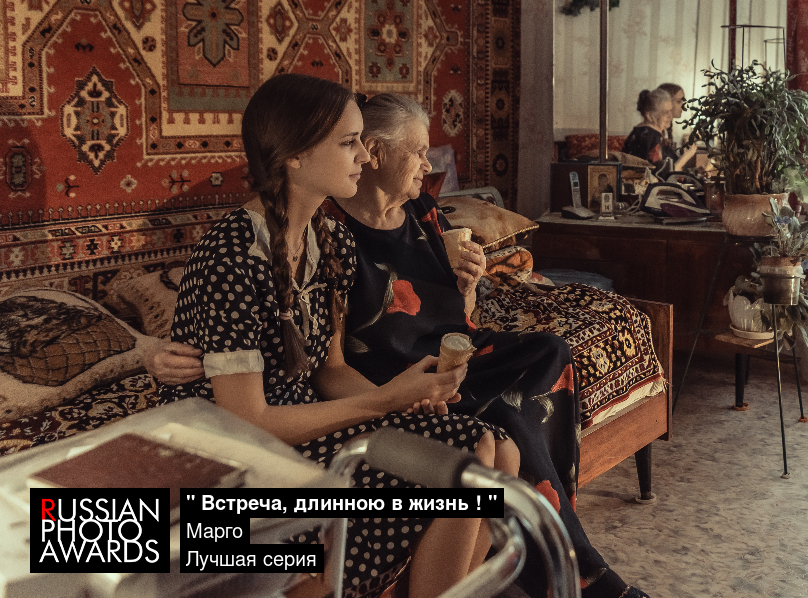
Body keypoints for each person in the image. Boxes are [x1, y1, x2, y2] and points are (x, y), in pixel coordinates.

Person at [150, 90, 651, 598]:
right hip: (230, 457)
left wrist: (406, 403)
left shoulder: (330, 239)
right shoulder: (231, 257)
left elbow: (330, 370)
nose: (364, 155)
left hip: (299, 423)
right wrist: (386, 402)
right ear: (295, 157)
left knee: (496, 445)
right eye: (349, 143)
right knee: (471, 450)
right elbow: (247, 421)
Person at [622, 88, 696, 171]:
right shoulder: (650, 137)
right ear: (649, 115)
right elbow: (662, 174)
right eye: (665, 112)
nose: (670, 116)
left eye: (670, 111)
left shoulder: (644, 132)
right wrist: (686, 156)